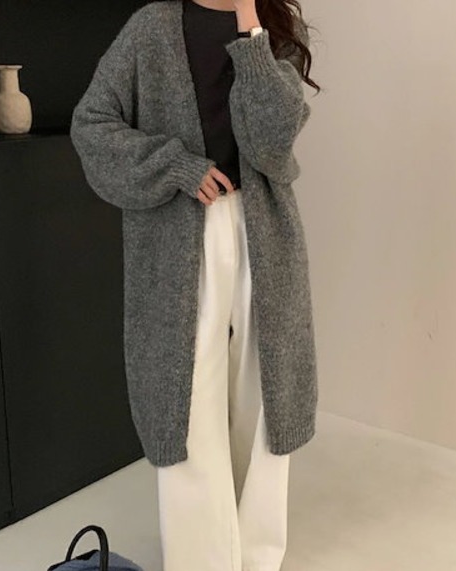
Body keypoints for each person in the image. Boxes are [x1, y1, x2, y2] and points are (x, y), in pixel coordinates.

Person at [70, 1, 321, 570]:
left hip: (264, 232)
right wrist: (174, 166)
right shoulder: (151, 28)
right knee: (184, 402)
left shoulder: (273, 26)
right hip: (177, 235)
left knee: (266, 394)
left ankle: (256, 557)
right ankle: (200, 559)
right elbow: (92, 123)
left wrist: (251, 28)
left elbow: (271, 145)